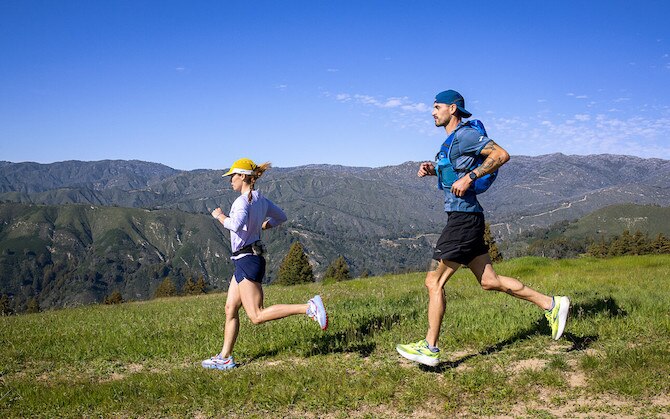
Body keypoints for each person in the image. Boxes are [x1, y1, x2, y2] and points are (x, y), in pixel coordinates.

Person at [396, 90, 570, 367]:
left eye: (437, 107)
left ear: (452, 109)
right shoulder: (452, 141)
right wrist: (434, 170)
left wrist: (471, 176)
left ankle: (429, 347)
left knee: (433, 282)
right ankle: (552, 304)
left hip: (463, 221)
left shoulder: (465, 134)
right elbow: (454, 172)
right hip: (468, 218)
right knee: (490, 281)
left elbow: (501, 154)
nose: (432, 112)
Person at [202, 157, 328, 370]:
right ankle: (225, 357)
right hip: (246, 258)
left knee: (256, 315)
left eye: (233, 176)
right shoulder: (261, 200)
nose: (230, 180)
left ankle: (309, 308)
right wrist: (262, 226)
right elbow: (281, 217)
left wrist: (220, 216)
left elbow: (235, 225)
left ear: (243, 176)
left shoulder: (242, 202)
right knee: (230, 308)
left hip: (247, 259)